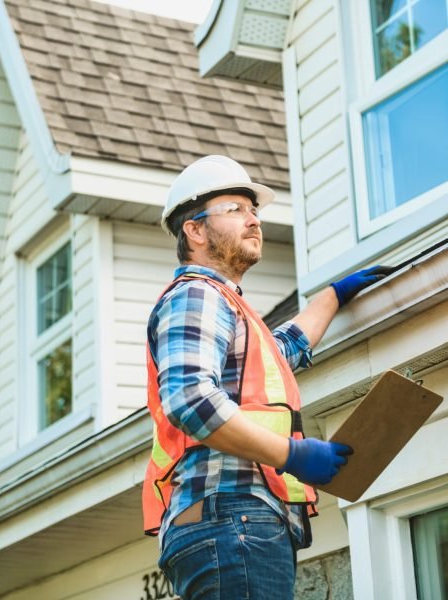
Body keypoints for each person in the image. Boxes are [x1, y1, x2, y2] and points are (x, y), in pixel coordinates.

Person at [142, 155, 391, 600]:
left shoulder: (230, 308)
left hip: (235, 523)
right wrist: (292, 454)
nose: (253, 220)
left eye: (253, 210)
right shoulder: (197, 294)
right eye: (235, 209)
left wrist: (332, 297)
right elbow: (190, 399)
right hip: (232, 518)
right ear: (194, 231)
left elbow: (283, 350)